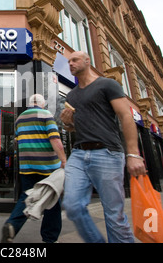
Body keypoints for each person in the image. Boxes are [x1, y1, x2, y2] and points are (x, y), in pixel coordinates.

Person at [60, 51, 147, 243]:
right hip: (78, 153)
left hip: (107, 152)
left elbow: (126, 116)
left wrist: (133, 154)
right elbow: (76, 127)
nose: (71, 64)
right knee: (73, 205)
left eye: (74, 60)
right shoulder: (72, 95)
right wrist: (68, 124)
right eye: (68, 61)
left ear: (87, 61)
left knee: (114, 216)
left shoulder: (107, 84)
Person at [1, 94, 67, 243]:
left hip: (27, 167)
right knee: (53, 201)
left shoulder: (19, 119)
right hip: (48, 168)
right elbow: (55, 139)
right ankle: (50, 239)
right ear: (42, 104)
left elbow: (17, 142)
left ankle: (12, 224)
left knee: (27, 197)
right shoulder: (46, 115)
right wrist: (64, 161)